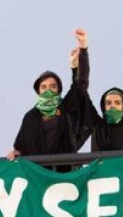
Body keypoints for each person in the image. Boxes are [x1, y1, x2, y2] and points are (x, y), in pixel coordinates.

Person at [9, 29, 89, 160]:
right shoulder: (30, 117)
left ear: (58, 90)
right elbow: (20, 148)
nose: (48, 90)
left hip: (66, 173)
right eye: (44, 87)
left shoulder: (66, 108)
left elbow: (81, 83)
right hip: (39, 176)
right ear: (38, 91)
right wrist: (15, 153)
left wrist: (82, 50)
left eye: (53, 86)